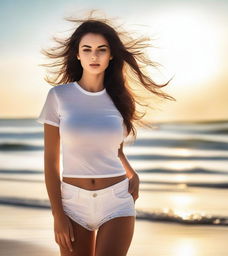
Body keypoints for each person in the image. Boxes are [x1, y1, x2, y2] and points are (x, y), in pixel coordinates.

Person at [37, 10, 175, 256]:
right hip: (72, 203)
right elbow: (50, 161)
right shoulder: (58, 96)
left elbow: (116, 149)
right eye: (87, 49)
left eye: (101, 49)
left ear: (111, 55)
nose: (94, 55)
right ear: (77, 54)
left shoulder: (120, 100)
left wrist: (133, 174)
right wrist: (57, 214)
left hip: (116, 200)